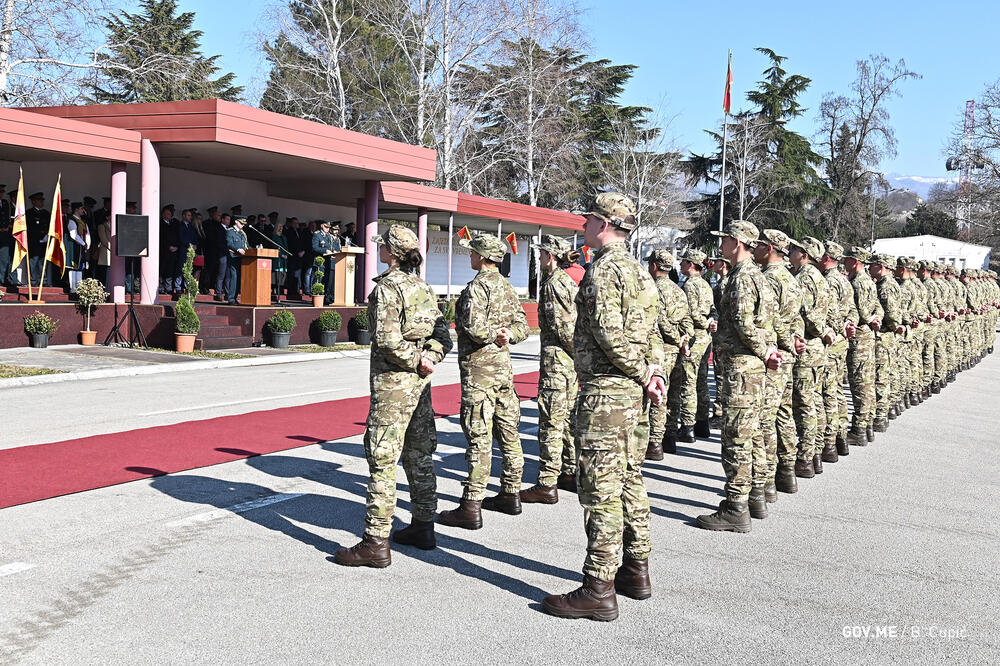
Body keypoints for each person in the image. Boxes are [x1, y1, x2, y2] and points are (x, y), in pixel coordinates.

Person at [543, 192, 665, 622]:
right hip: (632, 394)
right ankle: (636, 570)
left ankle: (599, 587)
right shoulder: (641, 273)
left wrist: (640, 372)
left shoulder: (603, 271)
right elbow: (654, 334)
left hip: (608, 394)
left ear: (603, 224)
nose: (582, 225)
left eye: (588, 219)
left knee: (600, 490)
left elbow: (609, 334)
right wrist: (655, 374)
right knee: (630, 479)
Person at [334, 225, 453, 567]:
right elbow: (442, 333)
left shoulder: (387, 288)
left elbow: (385, 340)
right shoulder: (423, 287)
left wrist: (417, 360)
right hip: (420, 384)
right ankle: (423, 526)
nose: (380, 250)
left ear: (391, 253)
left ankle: (375, 541)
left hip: (393, 384)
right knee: (420, 454)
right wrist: (429, 358)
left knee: (382, 460)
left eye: (383, 246)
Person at [696, 220, 784, 532]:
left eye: (725, 240)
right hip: (750, 367)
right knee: (753, 432)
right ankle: (754, 497)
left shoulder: (743, 278)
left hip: (741, 367)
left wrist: (764, 351)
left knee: (736, 437)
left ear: (737, 242)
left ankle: (736, 507)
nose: (720, 246)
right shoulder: (756, 276)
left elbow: (744, 323)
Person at [439, 232, 528, 529]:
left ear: (482, 257)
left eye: (473, 252)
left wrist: (494, 334)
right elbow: (522, 326)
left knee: (479, 437)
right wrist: (507, 335)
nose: (470, 256)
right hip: (503, 370)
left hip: (479, 372)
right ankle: (510, 492)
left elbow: (474, 329)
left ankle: (471, 504)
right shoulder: (507, 286)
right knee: (508, 432)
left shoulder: (477, 288)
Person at [519, 235, 579, 503]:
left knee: (551, 420)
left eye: (543, 253)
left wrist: (576, 355)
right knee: (566, 419)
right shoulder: (566, 281)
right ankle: (568, 470)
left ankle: (547, 481)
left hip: (558, 359)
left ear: (552, 256)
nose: (540, 257)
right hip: (567, 361)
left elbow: (562, 326)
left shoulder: (554, 283)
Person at [752, 230, 803, 497]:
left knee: (765, 420)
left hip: (775, 354)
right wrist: (796, 339)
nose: (755, 248)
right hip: (787, 354)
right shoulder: (791, 278)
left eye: (759, 245)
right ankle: (786, 471)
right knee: (783, 413)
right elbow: (797, 319)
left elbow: (773, 320)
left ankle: (767, 480)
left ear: (770, 248)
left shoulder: (770, 278)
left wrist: (787, 341)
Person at [787, 236, 834, 478]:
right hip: (815, 349)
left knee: (805, 405)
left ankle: (805, 457)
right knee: (814, 401)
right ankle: (814, 453)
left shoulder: (805, 277)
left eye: (795, 249)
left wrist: (821, 330)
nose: (790, 252)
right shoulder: (818, 277)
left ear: (804, 254)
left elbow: (805, 312)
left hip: (807, 347)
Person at [644, 248, 692, 460]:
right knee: (672, 396)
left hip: (661, 349)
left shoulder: (652, 289)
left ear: (654, 266)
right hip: (677, 350)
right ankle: (669, 436)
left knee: (657, 397)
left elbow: (659, 320)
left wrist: (675, 338)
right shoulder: (679, 290)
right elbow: (688, 321)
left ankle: (655, 441)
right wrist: (684, 339)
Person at [817, 242, 857, 462]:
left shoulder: (830, 281)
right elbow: (852, 310)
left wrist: (837, 327)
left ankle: (830, 441)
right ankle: (840, 437)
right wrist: (848, 325)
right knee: (837, 390)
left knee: (828, 392)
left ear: (827, 258)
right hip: (841, 341)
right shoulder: (843, 279)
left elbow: (830, 313)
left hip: (832, 341)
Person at [843, 247, 883, 445]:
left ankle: (859, 429)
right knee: (866, 383)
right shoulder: (868, 280)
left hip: (859, 336)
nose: (844, 262)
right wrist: (876, 318)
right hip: (866, 335)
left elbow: (862, 313)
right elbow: (878, 309)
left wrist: (870, 318)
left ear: (856, 261)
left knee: (859, 384)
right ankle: (866, 426)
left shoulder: (858, 282)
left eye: (848, 259)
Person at [676, 248, 713, 443]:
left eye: (683, 262)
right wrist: (711, 321)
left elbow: (690, 313)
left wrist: (706, 322)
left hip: (694, 337)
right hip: (705, 338)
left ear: (691, 264)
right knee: (701, 381)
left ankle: (688, 426)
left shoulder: (690, 285)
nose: (681, 265)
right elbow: (712, 309)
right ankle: (702, 423)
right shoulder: (706, 284)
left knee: (688, 382)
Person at [869, 254, 905, 433]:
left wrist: (889, 325)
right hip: (887, 336)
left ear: (881, 266)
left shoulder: (885, 286)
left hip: (883, 335)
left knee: (881, 376)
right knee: (887, 373)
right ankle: (886, 409)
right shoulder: (891, 283)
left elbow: (890, 313)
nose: (870, 268)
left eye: (873, 265)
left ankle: (880, 416)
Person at [26, 192, 50, 287]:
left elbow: (49, 226)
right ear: (33, 202)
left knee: (43, 262)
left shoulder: (46, 213)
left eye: (42, 200)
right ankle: (32, 281)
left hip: (44, 242)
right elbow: (30, 228)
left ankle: (43, 280)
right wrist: (39, 236)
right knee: (33, 261)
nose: (41, 202)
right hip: (34, 241)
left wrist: (47, 235)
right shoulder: (28, 213)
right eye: (39, 200)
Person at [65, 202, 91, 292]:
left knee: (80, 267)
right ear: (76, 209)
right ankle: (73, 288)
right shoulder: (72, 220)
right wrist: (83, 243)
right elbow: (73, 235)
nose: (83, 211)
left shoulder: (83, 221)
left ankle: (79, 286)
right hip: (74, 246)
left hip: (82, 246)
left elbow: (87, 234)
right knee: (74, 266)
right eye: (81, 209)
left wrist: (87, 244)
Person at [225, 216, 248, 304]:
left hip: (241, 258)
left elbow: (246, 246)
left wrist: (255, 250)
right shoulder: (230, 231)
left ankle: (234, 297)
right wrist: (237, 249)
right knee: (234, 277)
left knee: (238, 278)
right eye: (241, 223)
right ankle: (231, 298)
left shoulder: (242, 234)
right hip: (233, 257)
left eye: (243, 224)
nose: (242, 225)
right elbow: (229, 243)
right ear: (236, 221)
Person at [158, 204, 179, 294]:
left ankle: (168, 287)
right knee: (161, 269)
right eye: (167, 213)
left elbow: (177, 237)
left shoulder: (174, 224)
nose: (169, 215)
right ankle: (160, 287)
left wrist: (176, 247)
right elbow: (161, 238)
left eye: (170, 213)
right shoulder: (160, 223)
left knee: (170, 270)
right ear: (163, 214)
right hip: (163, 251)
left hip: (173, 251)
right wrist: (168, 247)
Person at [270, 219, 290, 298]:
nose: (281, 228)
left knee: (282, 276)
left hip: (284, 259)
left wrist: (286, 254)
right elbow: (275, 247)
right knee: (276, 276)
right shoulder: (274, 237)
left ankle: (280, 290)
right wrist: (281, 255)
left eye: (282, 227)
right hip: (277, 259)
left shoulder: (283, 237)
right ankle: (274, 289)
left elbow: (286, 247)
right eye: (279, 227)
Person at [0, 183, 12, 286]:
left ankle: (2, 279)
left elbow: (7, 218)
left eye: (2, 192)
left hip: (4, 234)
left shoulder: (5, 203)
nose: (1, 194)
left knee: (4, 258)